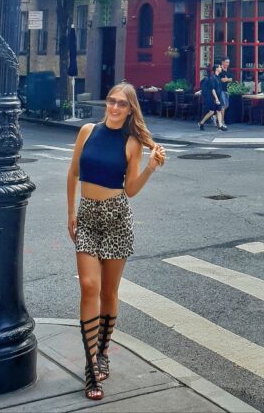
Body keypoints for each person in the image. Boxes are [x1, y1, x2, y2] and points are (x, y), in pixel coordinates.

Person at [67, 82, 166, 401]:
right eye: (111, 101)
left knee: (109, 291)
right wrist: (71, 212)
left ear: (130, 110)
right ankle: (90, 367)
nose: (114, 107)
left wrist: (150, 167)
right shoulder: (87, 131)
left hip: (117, 220)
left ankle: (103, 351)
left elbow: (132, 188)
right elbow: (72, 174)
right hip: (87, 217)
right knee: (88, 286)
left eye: (121, 104)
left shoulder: (132, 142)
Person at [198, 66, 223, 131]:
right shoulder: (213, 78)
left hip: (218, 96)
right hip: (212, 97)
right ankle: (201, 123)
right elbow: (213, 89)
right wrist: (216, 99)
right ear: (216, 69)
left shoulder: (218, 77)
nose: (221, 68)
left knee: (218, 111)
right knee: (211, 112)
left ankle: (220, 126)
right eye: (220, 67)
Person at [217, 57, 233, 129]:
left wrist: (227, 79)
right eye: (226, 62)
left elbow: (231, 79)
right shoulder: (220, 70)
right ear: (222, 62)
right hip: (220, 90)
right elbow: (221, 80)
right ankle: (222, 122)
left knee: (226, 106)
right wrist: (227, 79)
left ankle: (215, 116)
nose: (227, 64)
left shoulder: (228, 70)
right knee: (223, 106)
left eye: (228, 62)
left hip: (226, 90)